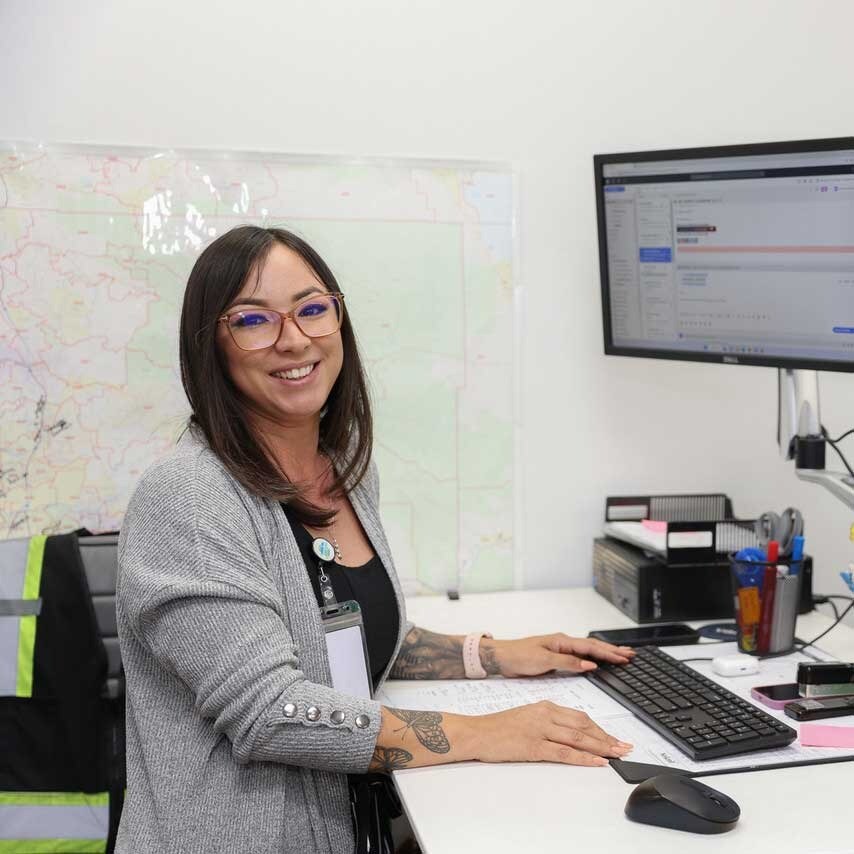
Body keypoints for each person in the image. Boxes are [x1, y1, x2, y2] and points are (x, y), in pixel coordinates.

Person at [115, 225, 635, 854]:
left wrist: (494, 655)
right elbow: (270, 712)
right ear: (211, 348)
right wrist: (486, 733)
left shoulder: (342, 469)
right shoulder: (188, 499)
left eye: (312, 310)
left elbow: (337, 634)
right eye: (254, 320)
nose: (295, 339)